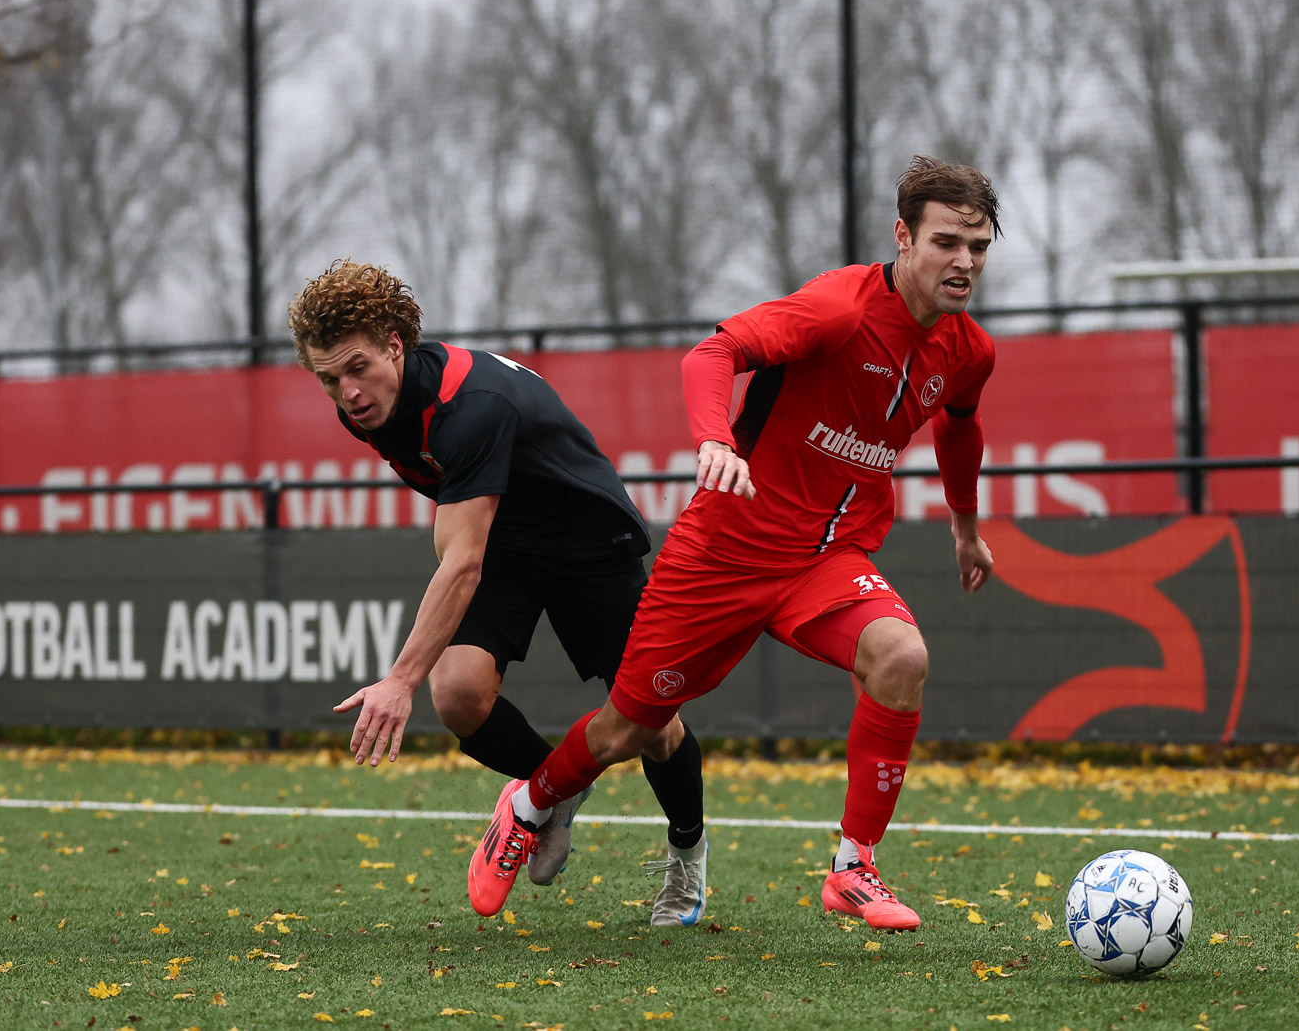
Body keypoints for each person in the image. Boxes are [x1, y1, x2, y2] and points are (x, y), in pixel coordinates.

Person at [474, 155, 999, 932]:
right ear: (903, 237)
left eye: (979, 247)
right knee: (628, 728)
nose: (964, 262)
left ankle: (854, 866)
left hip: (827, 559)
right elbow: (710, 354)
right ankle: (527, 802)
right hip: (725, 550)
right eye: (947, 242)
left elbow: (961, 425)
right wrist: (714, 439)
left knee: (902, 656)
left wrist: (965, 526)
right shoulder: (838, 310)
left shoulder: (969, 349)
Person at [286, 261, 709, 926]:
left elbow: (461, 558)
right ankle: (554, 794)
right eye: (329, 378)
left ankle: (687, 853)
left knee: (650, 725)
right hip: (508, 543)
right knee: (456, 693)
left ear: (395, 344)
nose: (348, 391)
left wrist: (399, 677)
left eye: (358, 367)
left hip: (588, 544)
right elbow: (458, 529)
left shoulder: (470, 406)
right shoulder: (365, 409)